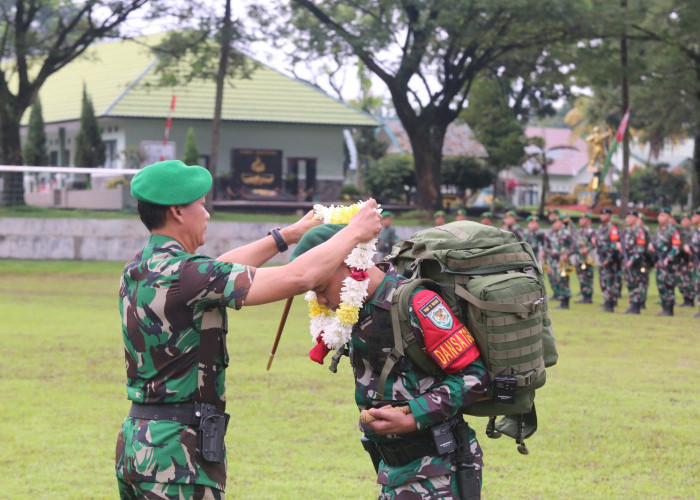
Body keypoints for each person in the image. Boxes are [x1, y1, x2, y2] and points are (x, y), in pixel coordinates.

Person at [115, 160, 382, 499]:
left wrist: (289, 235)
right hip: (174, 458)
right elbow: (298, 278)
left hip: (139, 445)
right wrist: (355, 232)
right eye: (201, 204)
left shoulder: (140, 267)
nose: (207, 213)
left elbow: (219, 268)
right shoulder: (188, 274)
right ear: (178, 211)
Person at [291, 223, 488, 499]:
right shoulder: (355, 309)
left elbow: (475, 377)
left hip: (440, 471)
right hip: (391, 470)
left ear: (351, 265)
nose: (321, 300)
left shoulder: (417, 303)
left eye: (322, 287)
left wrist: (414, 415)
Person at [649, 207, 682, 316]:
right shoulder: (658, 231)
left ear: (669, 218)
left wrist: (668, 258)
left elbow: (676, 247)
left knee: (668, 285)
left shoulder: (673, 231)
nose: (660, 218)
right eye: (659, 215)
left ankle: (669, 309)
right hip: (659, 262)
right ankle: (664, 308)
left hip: (669, 264)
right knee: (660, 285)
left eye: (663, 215)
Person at [593, 207, 622, 312]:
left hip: (610, 261)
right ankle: (607, 302)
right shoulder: (602, 228)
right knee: (603, 282)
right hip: (602, 259)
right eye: (601, 214)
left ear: (609, 216)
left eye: (605, 214)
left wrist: (608, 259)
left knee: (610, 283)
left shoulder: (612, 228)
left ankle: (610, 305)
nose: (602, 216)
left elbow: (614, 245)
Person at [546, 215, 577, 309]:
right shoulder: (555, 233)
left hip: (563, 261)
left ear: (560, 222)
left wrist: (567, 253)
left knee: (564, 281)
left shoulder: (566, 233)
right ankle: (562, 301)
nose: (554, 225)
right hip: (555, 261)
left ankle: (565, 303)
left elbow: (574, 245)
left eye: (555, 223)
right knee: (558, 281)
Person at [621, 210, 647, 314]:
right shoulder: (626, 231)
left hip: (636, 263)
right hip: (627, 261)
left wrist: (632, 260)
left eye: (630, 217)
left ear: (636, 219)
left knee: (637, 284)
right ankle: (632, 304)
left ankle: (636, 306)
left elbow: (640, 249)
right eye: (627, 217)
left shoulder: (639, 231)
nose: (627, 219)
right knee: (630, 283)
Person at [574, 213, 596, 304]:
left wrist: (588, 248)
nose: (581, 220)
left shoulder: (591, 231)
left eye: (583, 219)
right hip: (580, 258)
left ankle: (588, 296)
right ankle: (584, 295)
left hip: (587, 258)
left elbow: (594, 243)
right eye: (580, 219)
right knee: (581, 277)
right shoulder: (580, 231)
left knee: (588, 277)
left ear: (588, 220)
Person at [677, 213, 696, 308]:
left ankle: (690, 300)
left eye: (686, 219)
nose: (683, 221)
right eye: (682, 219)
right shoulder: (681, 232)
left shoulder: (693, 232)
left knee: (689, 281)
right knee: (681, 281)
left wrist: (691, 260)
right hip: (681, 261)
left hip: (690, 260)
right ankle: (686, 299)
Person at [686, 208, 700, 318]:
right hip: (696, 262)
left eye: (695, 216)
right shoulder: (695, 232)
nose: (693, 218)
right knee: (697, 286)